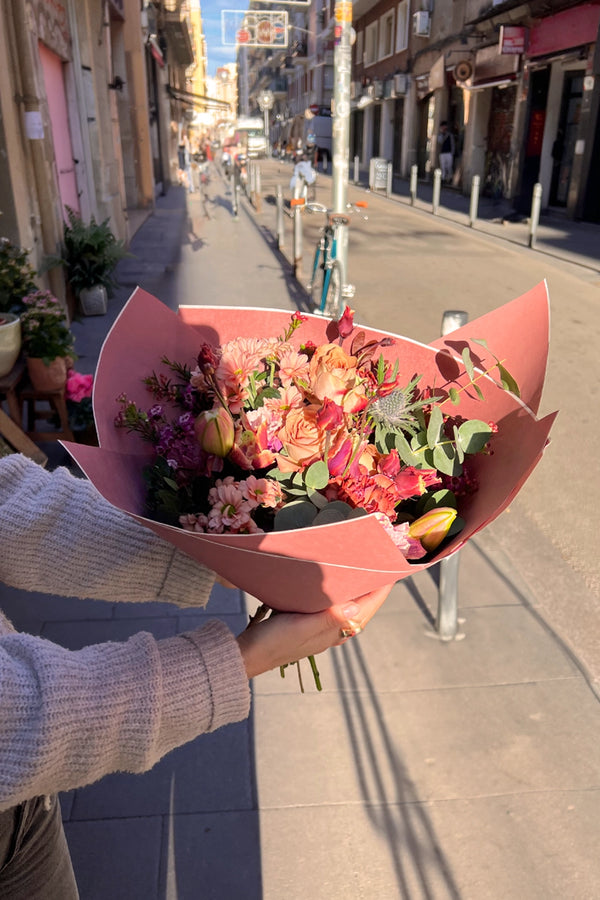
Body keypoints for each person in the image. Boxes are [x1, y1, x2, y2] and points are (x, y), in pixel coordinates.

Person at [0, 453, 392, 897]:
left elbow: (8, 504)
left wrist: (227, 549)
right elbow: (12, 724)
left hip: (23, 806)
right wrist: (241, 660)